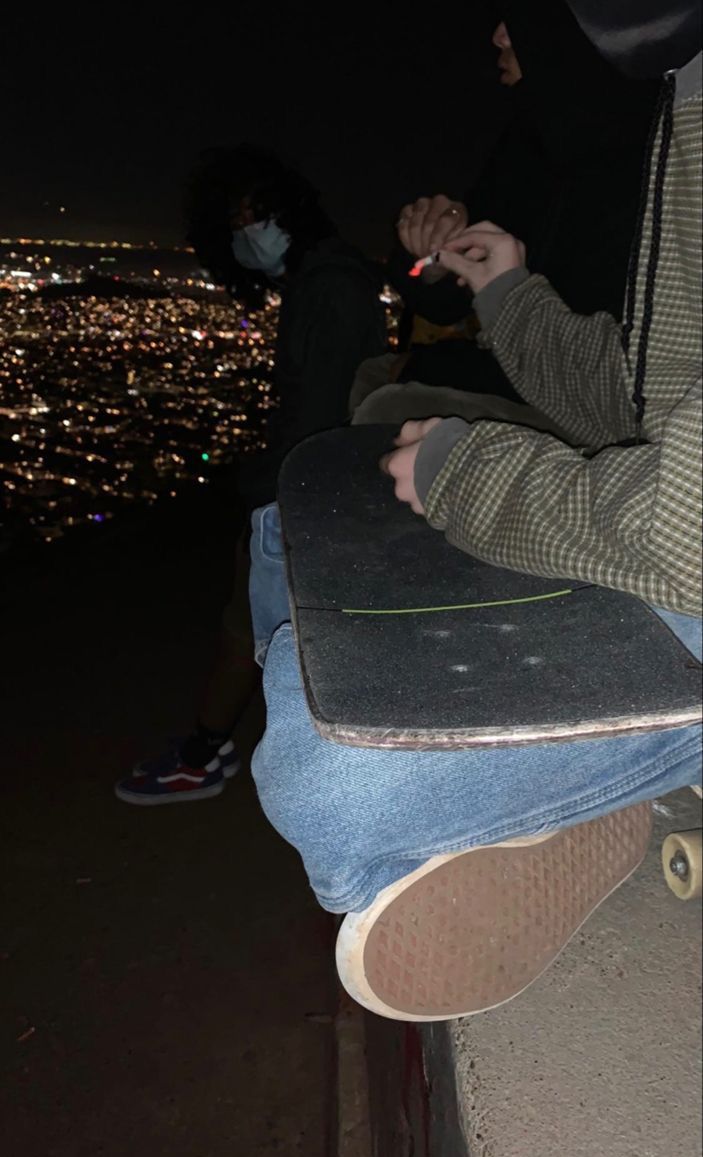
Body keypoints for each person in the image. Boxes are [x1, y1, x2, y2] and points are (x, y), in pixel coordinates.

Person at [247, 5, 702, 1021]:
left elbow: (686, 522)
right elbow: (645, 397)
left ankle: (582, 787)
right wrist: (501, 289)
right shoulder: (673, 97)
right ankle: (584, 788)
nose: (500, 29)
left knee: (331, 773)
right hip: (652, 509)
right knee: (299, 539)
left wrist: (468, 476)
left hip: (678, 541)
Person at [115, 145, 387, 804]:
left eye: (251, 218)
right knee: (257, 633)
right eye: (234, 222)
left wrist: (265, 498)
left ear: (286, 212)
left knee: (278, 649)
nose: (245, 236)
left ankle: (319, 784)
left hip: (303, 500)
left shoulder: (330, 288)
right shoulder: (323, 280)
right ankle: (212, 750)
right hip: (306, 494)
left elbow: (321, 416)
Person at [366, 0, 659, 409]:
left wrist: (426, 368)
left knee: (384, 400)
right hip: (526, 374)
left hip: (598, 411)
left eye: (522, 14)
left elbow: (612, 379)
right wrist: (433, 254)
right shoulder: (529, 144)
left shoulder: (650, 149)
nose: (499, 36)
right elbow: (448, 302)